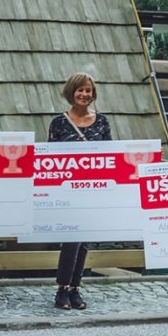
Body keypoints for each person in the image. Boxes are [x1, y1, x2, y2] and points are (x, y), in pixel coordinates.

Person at [48, 72, 112, 311]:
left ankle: (75, 287)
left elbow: (112, 154)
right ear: (71, 92)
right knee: (72, 239)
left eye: (88, 90)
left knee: (84, 241)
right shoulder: (59, 123)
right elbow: (50, 158)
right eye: (80, 90)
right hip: (67, 191)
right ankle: (63, 287)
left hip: (93, 190)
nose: (84, 94)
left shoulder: (102, 121)